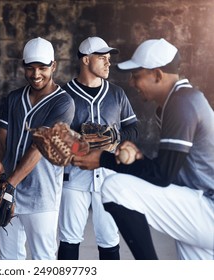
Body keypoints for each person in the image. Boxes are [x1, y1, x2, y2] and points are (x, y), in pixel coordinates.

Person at [72, 38, 214, 260]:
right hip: (200, 203)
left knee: (115, 187)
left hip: (208, 206)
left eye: (137, 76)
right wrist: (139, 159)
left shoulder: (182, 102)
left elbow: (162, 175)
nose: (132, 82)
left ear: (157, 75)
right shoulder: (179, 100)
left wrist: (104, 159)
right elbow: (168, 168)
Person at [0, 37, 75, 260]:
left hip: (41, 194)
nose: (36, 75)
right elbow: (0, 138)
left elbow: (39, 147)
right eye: (30, 68)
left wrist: (8, 186)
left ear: (53, 66)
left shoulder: (63, 103)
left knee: (42, 260)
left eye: (43, 68)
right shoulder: (14, 98)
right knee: (9, 259)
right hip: (9, 191)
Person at [57, 37, 138, 260]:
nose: (108, 63)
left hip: (109, 176)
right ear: (85, 60)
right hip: (74, 176)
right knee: (69, 238)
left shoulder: (117, 93)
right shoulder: (64, 94)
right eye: (102, 58)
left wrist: (115, 135)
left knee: (110, 239)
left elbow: (134, 128)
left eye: (109, 58)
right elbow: (55, 137)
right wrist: (78, 143)